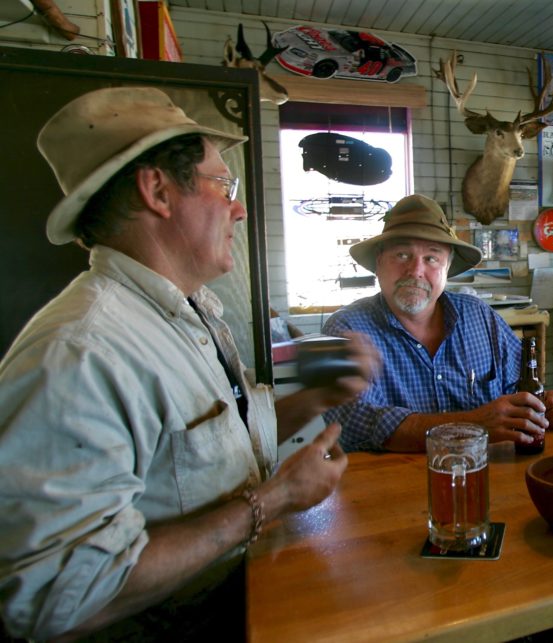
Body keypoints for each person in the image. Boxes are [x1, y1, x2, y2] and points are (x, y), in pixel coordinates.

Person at [0, 87, 378, 640]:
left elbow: (211, 447)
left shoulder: (188, 311)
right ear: (157, 191)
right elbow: (56, 597)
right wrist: (275, 499)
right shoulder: (80, 353)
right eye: (223, 185)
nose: (239, 207)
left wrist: (319, 396)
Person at [321, 194, 553, 452]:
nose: (416, 270)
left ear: (447, 266)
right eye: (401, 254)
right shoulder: (343, 329)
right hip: (388, 487)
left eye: (431, 258)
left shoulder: (480, 317)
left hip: (486, 478)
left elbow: (521, 390)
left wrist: (549, 407)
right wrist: (474, 424)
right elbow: (350, 422)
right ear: (378, 263)